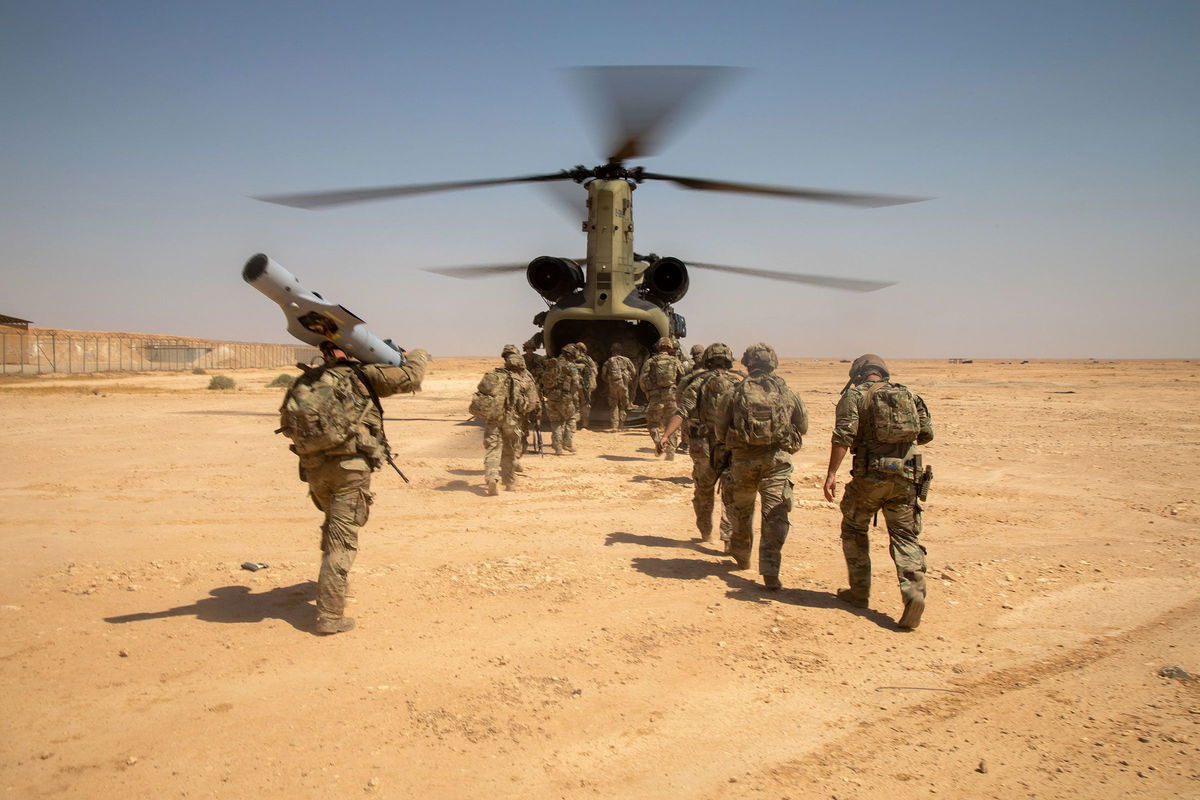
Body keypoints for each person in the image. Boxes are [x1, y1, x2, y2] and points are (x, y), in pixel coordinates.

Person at [278, 340, 430, 635]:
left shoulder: (305, 380)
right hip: (350, 468)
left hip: (314, 469)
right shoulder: (360, 375)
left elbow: (287, 423)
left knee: (333, 526)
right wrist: (418, 355)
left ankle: (334, 585)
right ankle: (330, 615)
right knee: (342, 538)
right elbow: (412, 377)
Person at [823, 354, 934, 630]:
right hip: (907, 476)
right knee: (905, 536)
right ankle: (913, 593)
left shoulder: (855, 396)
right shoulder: (909, 394)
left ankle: (859, 592)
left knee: (853, 528)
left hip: (869, 477)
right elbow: (926, 433)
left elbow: (843, 437)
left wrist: (832, 473)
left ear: (858, 374)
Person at [713, 343, 807, 591]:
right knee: (774, 515)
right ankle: (770, 571)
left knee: (742, 513)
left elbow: (720, 432)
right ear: (773, 363)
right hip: (777, 463)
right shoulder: (788, 392)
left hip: (743, 462)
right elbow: (803, 426)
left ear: (747, 363)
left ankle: (742, 557)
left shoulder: (734, 392)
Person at [659, 343, 742, 544]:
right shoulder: (738, 384)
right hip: (731, 446)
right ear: (728, 360)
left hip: (702, 446)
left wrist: (666, 435)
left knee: (704, 489)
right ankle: (728, 538)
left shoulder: (697, 383)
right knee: (730, 491)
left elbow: (682, 411)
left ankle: (706, 533)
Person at [471, 344, 540, 495]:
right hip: (512, 420)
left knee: (493, 449)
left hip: (493, 418)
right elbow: (531, 403)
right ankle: (509, 483)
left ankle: (492, 478)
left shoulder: (495, 374)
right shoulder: (525, 378)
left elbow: (481, 393)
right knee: (509, 451)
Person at [638, 337, 686, 459]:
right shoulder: (675, 361)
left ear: (658, 347)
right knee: (671, 425)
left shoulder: (651, 361)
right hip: (671, 395)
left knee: (652, 423)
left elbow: (643, 379)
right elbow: (683, 379)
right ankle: (670, 455)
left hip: (655, 397)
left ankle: (658, 443)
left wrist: (648, 392)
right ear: (669, 347)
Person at [537, 355, 582, 455]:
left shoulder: (550, 365)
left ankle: (558, 448)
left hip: (551, 398)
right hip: (565, 398)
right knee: (571, 419)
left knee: (555, 422)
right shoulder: (571, 366)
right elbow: (576, 383)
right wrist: (572, 395)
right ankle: (567, 444)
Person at [600, 343, 637, 430]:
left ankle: (614, 426)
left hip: (613, 385)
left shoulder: (609, 361)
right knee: (623, 405)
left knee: (614, 405)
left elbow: (603, 374)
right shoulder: (626, 360)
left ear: (612, 351)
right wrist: (629, 378)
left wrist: (608, 381)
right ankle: (621, 425)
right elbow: (634, 371)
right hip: (624, 385)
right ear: (621, 351)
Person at [564, 343, 598, 431]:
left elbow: (594, 371)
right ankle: (577, 424)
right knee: (577, 404)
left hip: (582, 384)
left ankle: (582, 424)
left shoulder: (586, 359)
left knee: (583, 404)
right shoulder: (573, 358)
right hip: (576, 384)